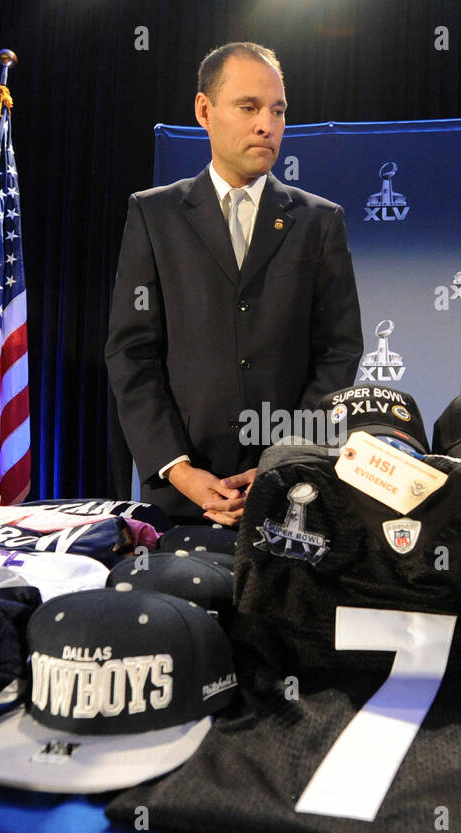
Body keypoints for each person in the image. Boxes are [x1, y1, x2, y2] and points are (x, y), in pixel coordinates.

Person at [105, 42, 363, 526]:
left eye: (278, 111)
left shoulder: (320, 221)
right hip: (179, 499)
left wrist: (282, 462)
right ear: (205, 110)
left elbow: (338, 351)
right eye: (249, 107)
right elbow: (131, 353)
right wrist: (179, 471)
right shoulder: (153, 214)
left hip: (292, 496)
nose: (267, 125)